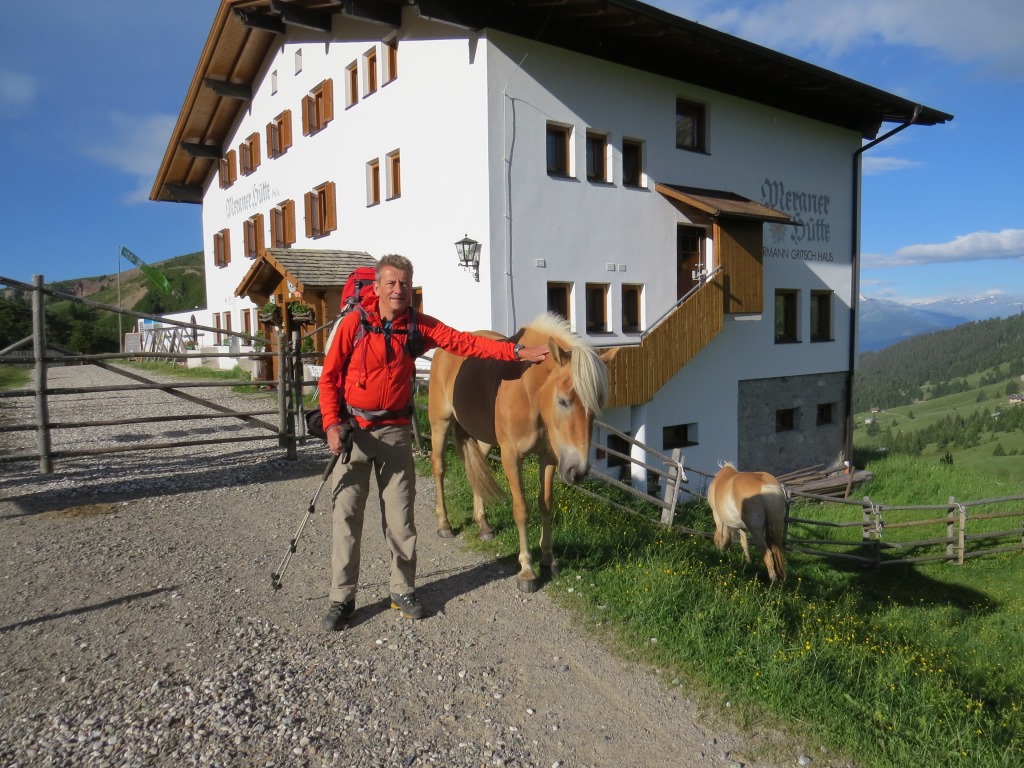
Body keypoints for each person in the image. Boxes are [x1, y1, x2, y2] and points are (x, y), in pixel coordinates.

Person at [318, 254, 549, 630]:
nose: (398, 290)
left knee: (402, 519)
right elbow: (328, 380)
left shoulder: (417, 327)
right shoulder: (352, 325)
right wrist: (331, 424)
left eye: (405, 284)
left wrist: (515, 351)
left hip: (394, 432)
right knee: (347, 517)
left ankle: (402, 589)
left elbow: (465, 343)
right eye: (391, 283)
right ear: (375, 288)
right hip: (353, 432)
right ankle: (342, 599)